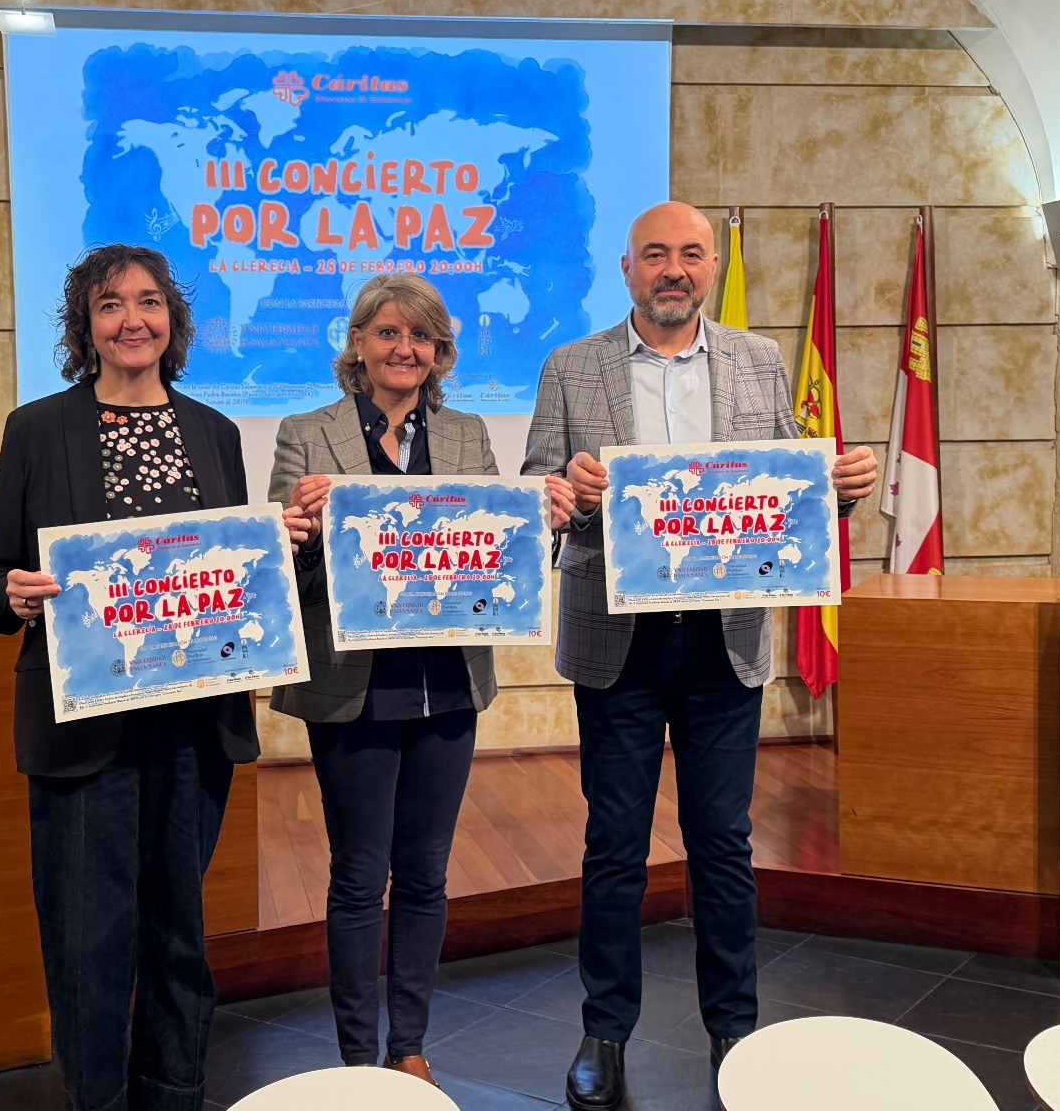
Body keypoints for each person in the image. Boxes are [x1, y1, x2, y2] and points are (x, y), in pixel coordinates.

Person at [521, 202, 878, 1109]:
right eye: (654, 256)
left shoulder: (759, 362)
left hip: (725, 642)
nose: (672, 269)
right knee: (614, 846)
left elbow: (793, 488)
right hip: (618, 641)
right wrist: (571, 492)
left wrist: (837, 490)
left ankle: (736, 1032)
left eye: (688, 254)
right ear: (627, 269)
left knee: (723, 844)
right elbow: (537, 492)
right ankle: (604, 1032)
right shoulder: (571, 366)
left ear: (710, 266)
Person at [0, 244, 259, 1111]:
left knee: (179, 933)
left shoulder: (215, 432)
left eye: (149, 302)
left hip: (193, 723)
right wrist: (9, 596)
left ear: (174, 319)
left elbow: (234, 570)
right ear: (84, 327)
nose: (133, 319)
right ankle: (95, 1100)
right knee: (89, 941)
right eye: (109, 305)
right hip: (83, 726)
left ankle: (176, 1093)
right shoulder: (38, 429)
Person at [269, 273, 576, 1084]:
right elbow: (282, 566)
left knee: (429, 873)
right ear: (359, 345)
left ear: (441, 352)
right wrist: (297, 531)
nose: (405, 350)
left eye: (422, 338)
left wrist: (538, 524)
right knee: (359, 876)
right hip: (353, 686)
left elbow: (499, 558)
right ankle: (352, 1058)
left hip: (448, 686)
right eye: (387, 334)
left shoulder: (471, 435)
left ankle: (407, 1048)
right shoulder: (308, 434)